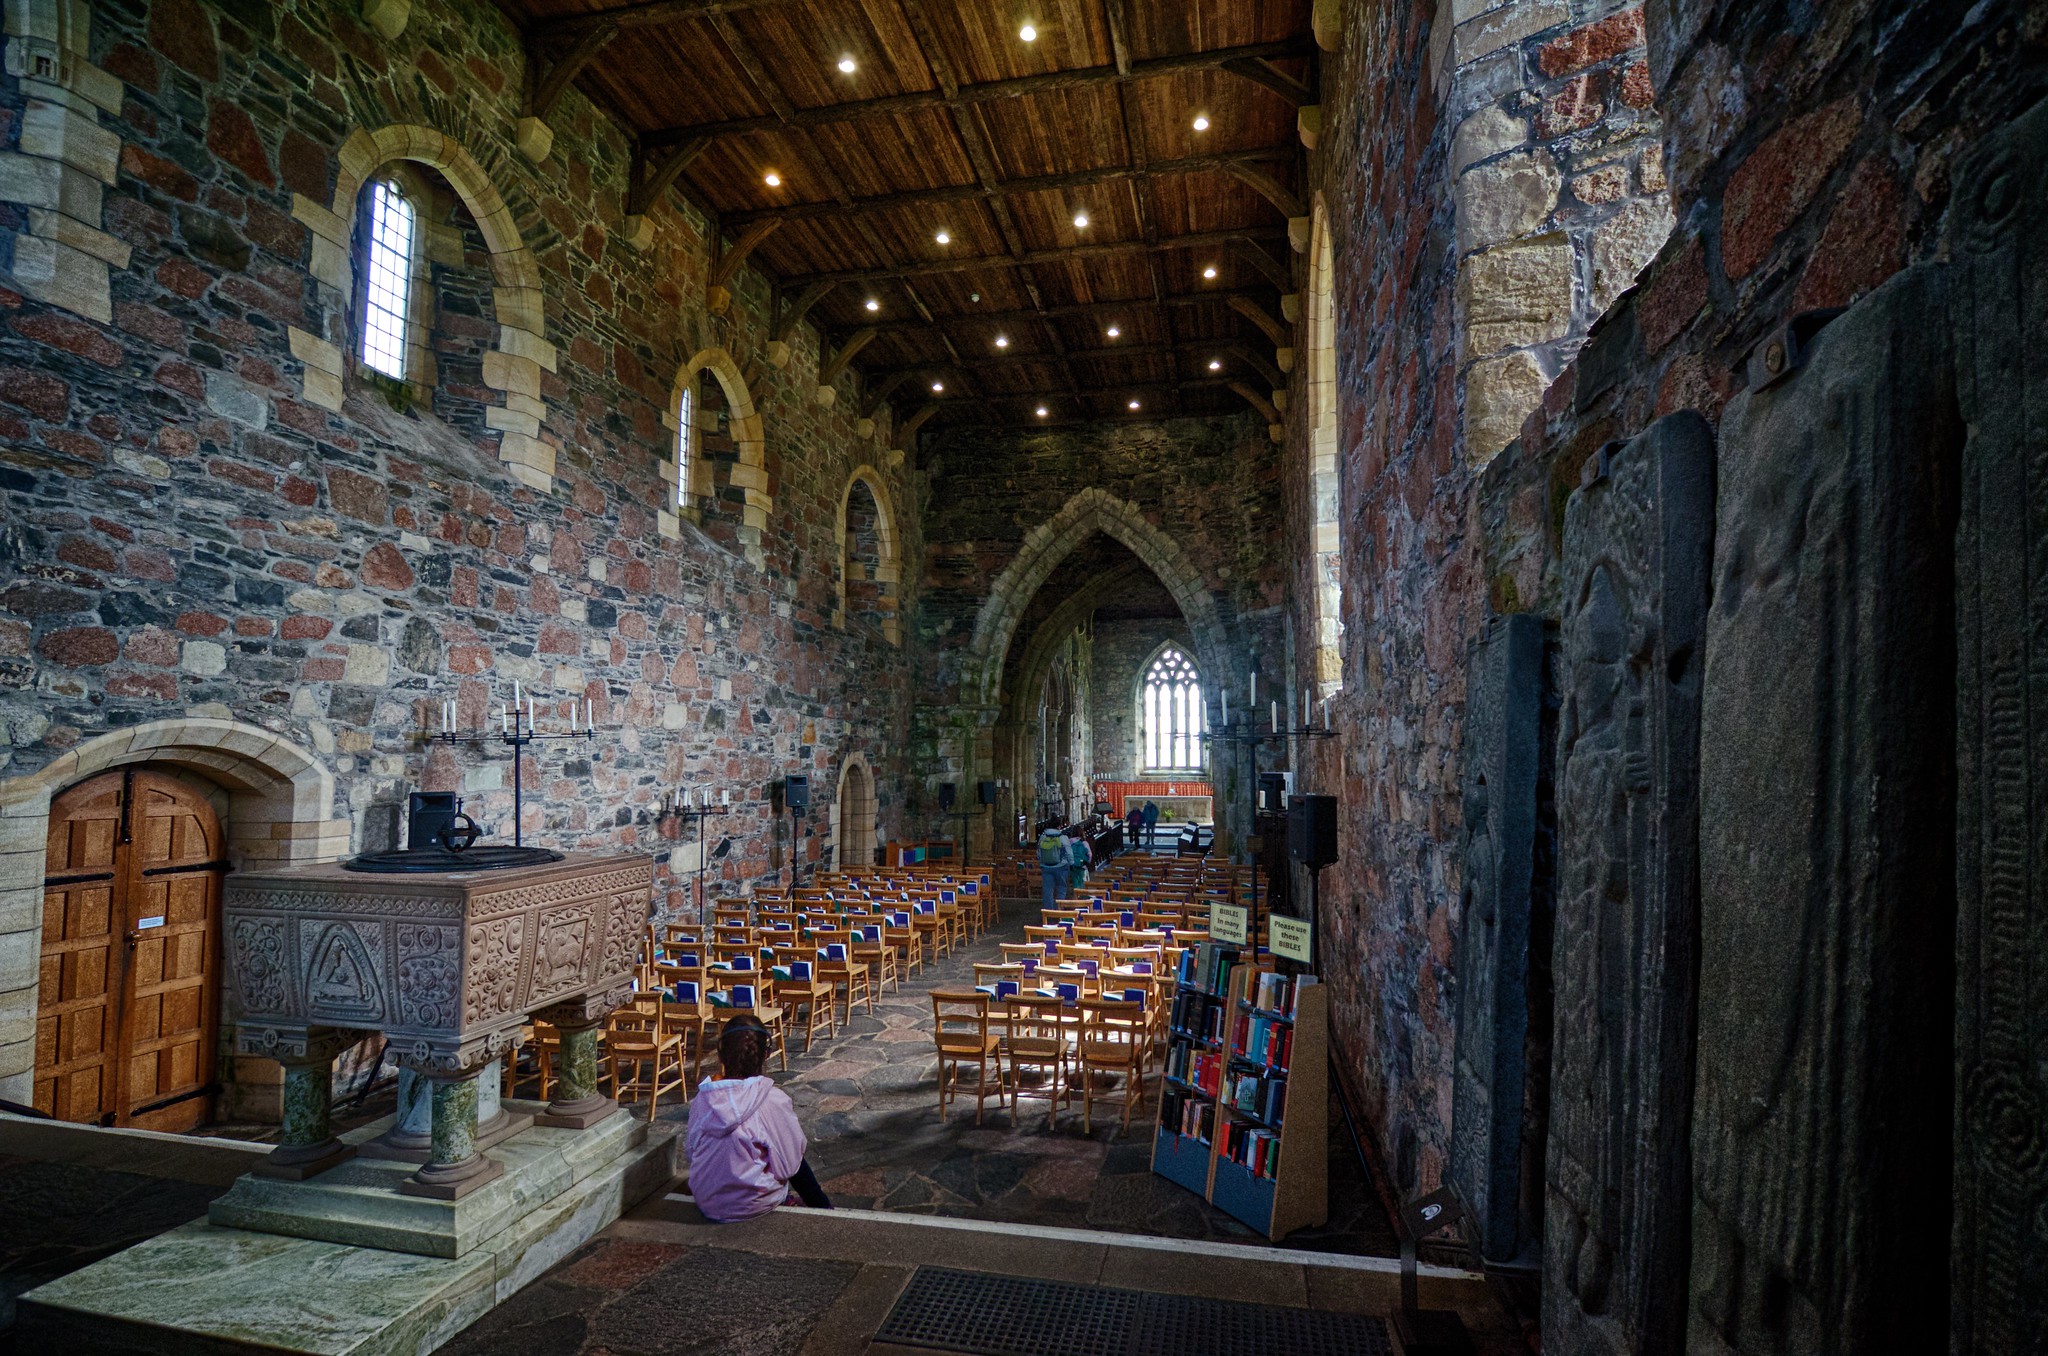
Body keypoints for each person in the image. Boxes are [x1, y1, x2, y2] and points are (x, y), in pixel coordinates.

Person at [685, 1014, 832, 1222]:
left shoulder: (704, 1098)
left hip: (708, 1202)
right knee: (791, 1152)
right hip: (754, 1204)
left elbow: (691, 1152)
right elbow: (790, 1165)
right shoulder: (771, 1099)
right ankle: (823, 1206)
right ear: (766, 1054)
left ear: (720, 1055)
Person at [1037, 825, 1068, 906]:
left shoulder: (1042, 837)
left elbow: (1038, 852)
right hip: (1060, 866)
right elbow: (1068, 852)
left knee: (1047, 890)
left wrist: (1041, 862)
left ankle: (1048, 912)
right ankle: (1059, 910)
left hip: (1046, 866)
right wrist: (1071, 863)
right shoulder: (1062, 837)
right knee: (1061, 888)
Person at [1069, 827, 1091, 892]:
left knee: (1075, 881)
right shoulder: (1084, 843)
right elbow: (1090, 855)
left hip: (1073, 865)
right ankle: (1082, 896)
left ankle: (1076, 896)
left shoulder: (1069, 842)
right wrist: (1087, 862)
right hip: (1082, 865)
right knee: (1082, 881)